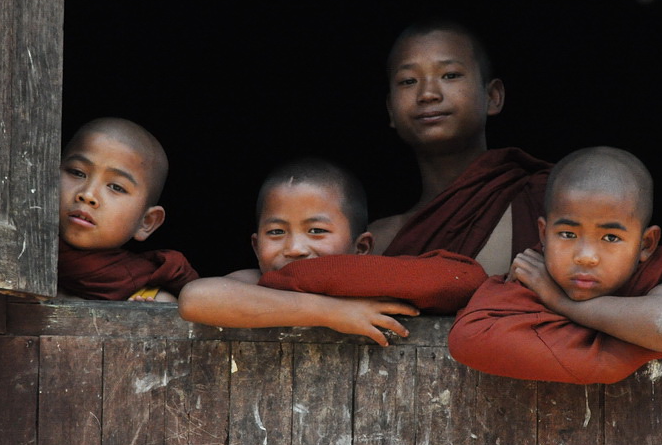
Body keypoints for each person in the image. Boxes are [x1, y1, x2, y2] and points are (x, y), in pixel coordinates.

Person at [448, 146, 662, 384]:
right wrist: (625, 344)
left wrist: (559, 301)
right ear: (544, 235)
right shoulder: (533, 271)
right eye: (568, 234)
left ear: (646, 244)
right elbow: (469, 338)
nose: (586, 256)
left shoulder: (660, 272)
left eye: (610, 237)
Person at [178, 157, 487, 346]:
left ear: (362, 247)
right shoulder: (257, 281)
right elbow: (196, 298)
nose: (295, 248)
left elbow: (456, 281)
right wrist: (332, 313)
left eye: (316, 231)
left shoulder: (371, 283)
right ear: (255, 246)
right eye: (276, 232)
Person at [368, 19, 552, 276]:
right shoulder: (376, 241)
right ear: (390, 110)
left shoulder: (546, 201)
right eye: (408, 81)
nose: (428, 94)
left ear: (493, 97)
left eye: (450, 75)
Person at [57, 117, 198, 302]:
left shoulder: (152, 301)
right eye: (77, 172)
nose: (88, 194)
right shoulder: (15, 267)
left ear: (146, 222)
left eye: (116, 187)